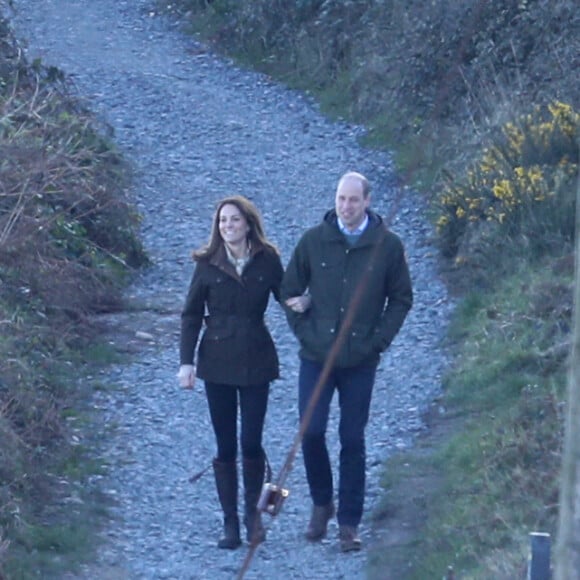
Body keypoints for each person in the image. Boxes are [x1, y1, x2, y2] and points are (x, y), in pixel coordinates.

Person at [281, 171, 413, 552]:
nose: (346, 206)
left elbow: (402, 298)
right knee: (311, 431)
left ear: (368, 201)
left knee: (352, 439)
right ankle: (322, 503)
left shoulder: (387, 246)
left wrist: (378, 342)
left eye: (354, 200)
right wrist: (304, 329)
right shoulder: (313, 241)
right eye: (341, 199)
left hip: (360, 361)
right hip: (316, 357)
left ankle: (349, 523)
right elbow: (289, 291)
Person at [177, 195, 283, 550]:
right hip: (217, 362)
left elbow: (290, 299)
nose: (228, 227)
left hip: (257, 359)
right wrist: (186, 363)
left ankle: (255, 517)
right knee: (225, 444)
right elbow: (191, 315)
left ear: (248, 223)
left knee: (251, 441)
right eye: (223, 221)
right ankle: (231, 524)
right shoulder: (207, 264)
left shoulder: (267, 260)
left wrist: (314, 317)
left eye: (234, 221)